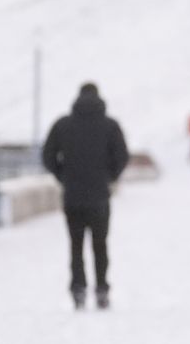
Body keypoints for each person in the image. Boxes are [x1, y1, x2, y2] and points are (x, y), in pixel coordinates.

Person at [42, 82, 130, 310]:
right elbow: (122, 156)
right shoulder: (110, 126)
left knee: (76, 245)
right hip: (100, 196)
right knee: (100, 245)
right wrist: (109, 176)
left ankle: (78, 290)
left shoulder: (63, 125)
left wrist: (63, 176)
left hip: (72, 197)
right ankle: (101, 289)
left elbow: (47, 155)